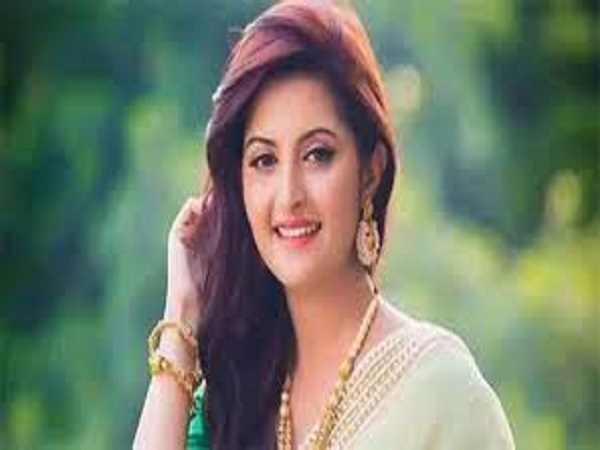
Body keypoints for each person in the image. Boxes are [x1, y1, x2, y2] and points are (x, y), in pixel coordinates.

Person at [133, 1, 515, 449]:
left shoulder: (442, 394)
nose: (289, 195)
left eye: (318, 154)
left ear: (370, 172)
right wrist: (180, 315)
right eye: (264, 160)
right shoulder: (234, 399)